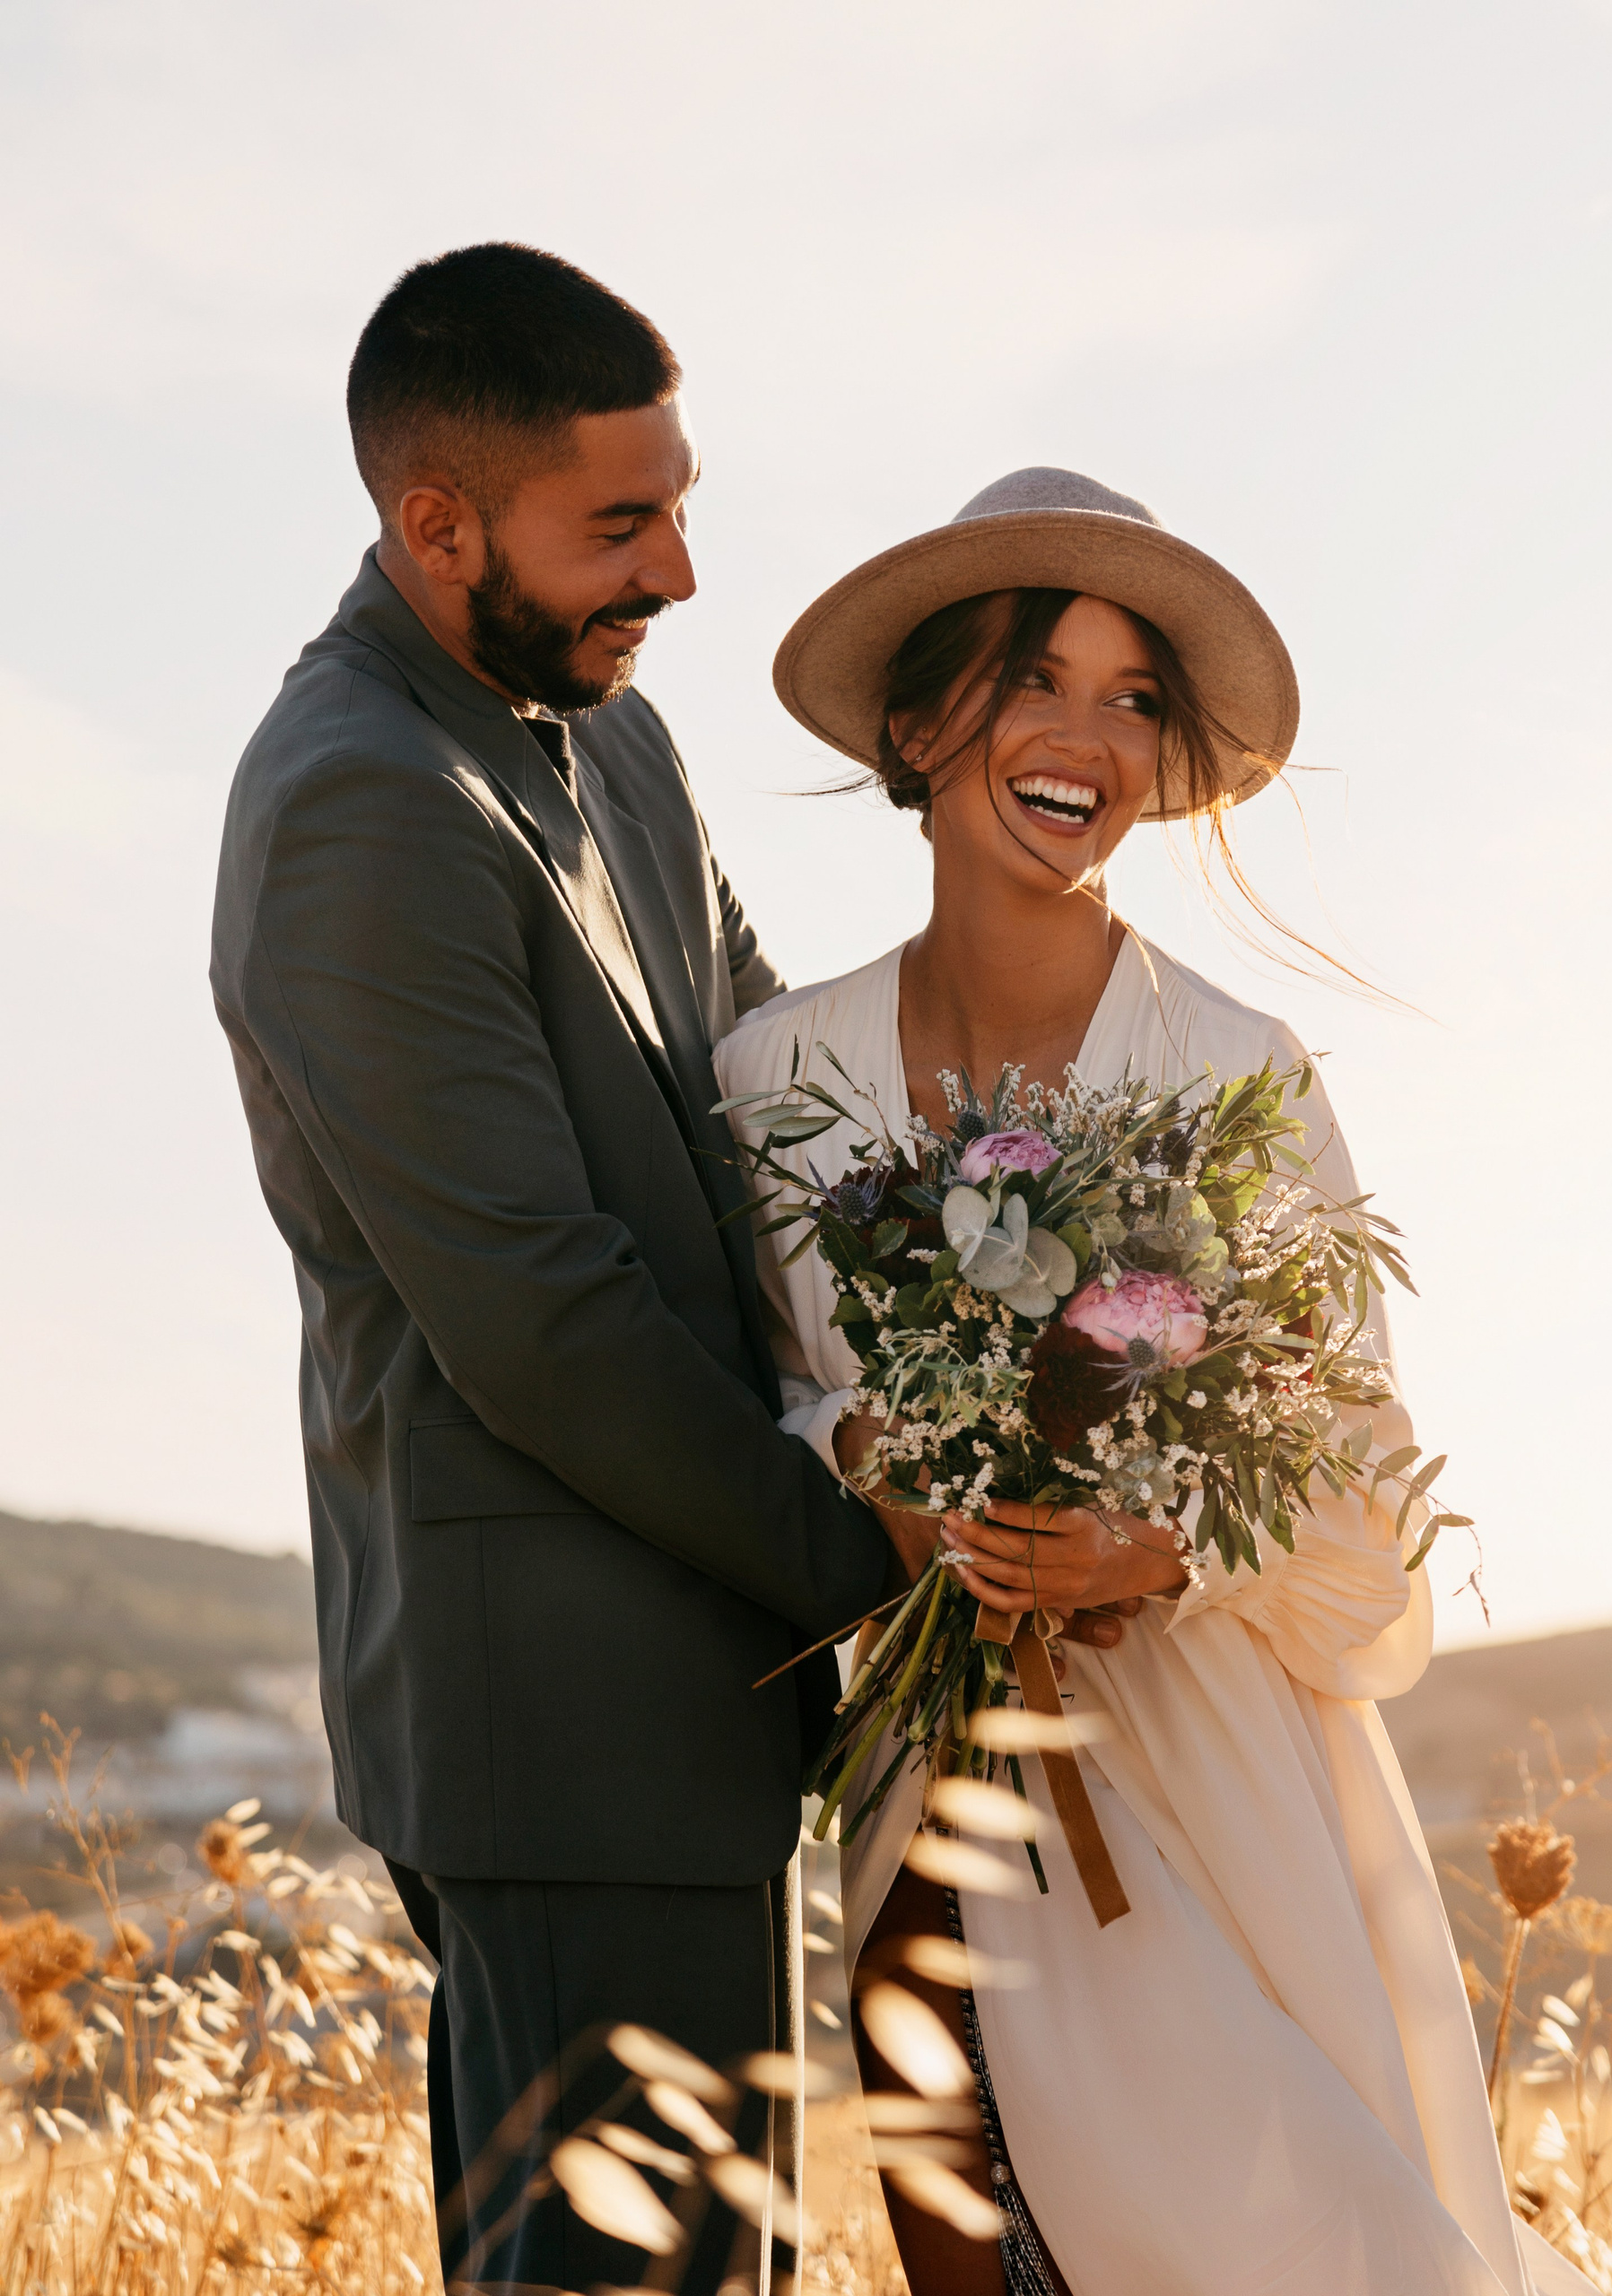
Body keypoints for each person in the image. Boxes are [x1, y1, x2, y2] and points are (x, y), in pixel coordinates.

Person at [206, 246, 1138, 2294]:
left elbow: (774, 1105)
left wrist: (1024, 1284)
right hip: (559, 1724)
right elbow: (544, 1323)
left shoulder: (604, 734)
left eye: (680, 505)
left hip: (705, 1697)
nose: (682, 574)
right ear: (438, 524)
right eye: (620, 526)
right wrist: (878, 1544)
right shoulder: (359, 804)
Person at [715, 468, 1595, 2296]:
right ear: (916, 725)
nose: (1087, 736)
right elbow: (766, 1392)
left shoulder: (1234, 1067)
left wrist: (1158, 1548)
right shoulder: (775, 1075)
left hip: (1218, 1811)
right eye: (1035, 677)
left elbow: (1364, 1506)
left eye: (1132, 698)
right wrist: (868, 1451)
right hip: (931, 1799)